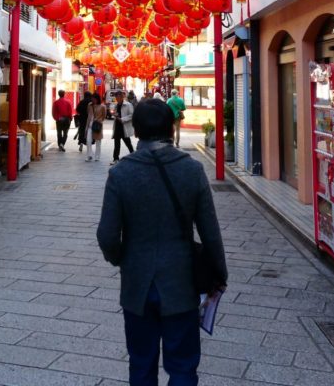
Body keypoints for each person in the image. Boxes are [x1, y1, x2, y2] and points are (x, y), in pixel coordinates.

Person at [96, 99, 228, 386]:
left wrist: (122, 258)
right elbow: (210, 231)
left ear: (137, 130)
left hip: (137, 285)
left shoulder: (120, 173)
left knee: (141, 365)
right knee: (182, 366)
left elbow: (106, 235)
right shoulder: (192, 170)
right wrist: (219, 272)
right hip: (180, 282)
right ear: (171, 127)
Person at [111, 91, 134, 164]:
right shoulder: (116, 105)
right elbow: (116, 113)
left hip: (124, 127)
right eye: (116, 97)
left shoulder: (128, 105)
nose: (117, 99)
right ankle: (115, 158)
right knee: (116, 143)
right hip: (117, 126)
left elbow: (132, 115)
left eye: (118, 97)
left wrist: (123, 119)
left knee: (128, 143)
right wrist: (114, 114)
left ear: (122, 97)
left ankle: (133, 155)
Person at [86, 93, 105, 161]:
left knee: (98, 142)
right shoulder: (89, 105)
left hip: (97, 126)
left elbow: (103, 117)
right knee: (88, 141)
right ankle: (89, 155)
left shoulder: (102, 106)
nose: (92, 100)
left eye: (94, 98)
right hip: (90, 125)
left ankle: (97, 157)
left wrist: (98, 120)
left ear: (97, 99)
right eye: (92, 98)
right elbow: (88, 115)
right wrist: (87, 126)